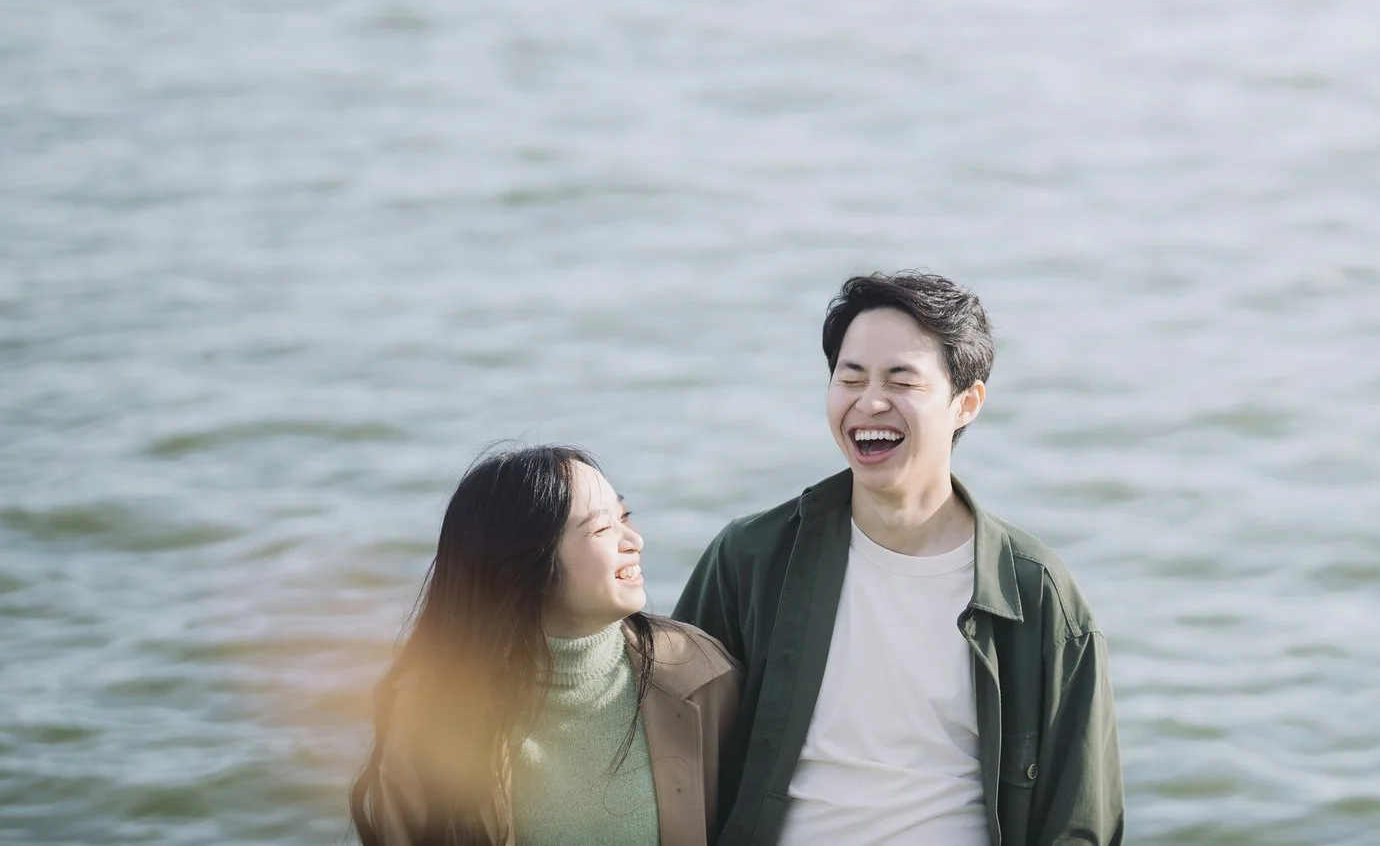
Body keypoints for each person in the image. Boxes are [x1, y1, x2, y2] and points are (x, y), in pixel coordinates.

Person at [674, 272, 1122, 846]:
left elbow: (1079, 821)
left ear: (967, 402)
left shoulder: (1036, 594)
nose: (870, 402)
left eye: (900, 380)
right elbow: (667, 735)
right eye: (850, 377)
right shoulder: (752, 558)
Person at [351, 445, 741, 846]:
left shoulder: (700, 674)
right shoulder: (430, 708)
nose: (633, 541)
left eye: (624, 518)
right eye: (602, 528)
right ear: (526, 562)